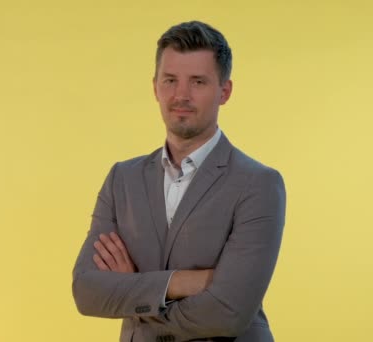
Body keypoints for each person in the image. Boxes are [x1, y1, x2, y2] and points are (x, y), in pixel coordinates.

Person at [72, 21, 286, 342]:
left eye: (198, 82)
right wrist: (182, 282)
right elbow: (87, 291)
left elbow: (229, 313)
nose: (180, 95)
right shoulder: (122, 179)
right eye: (170, 80)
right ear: (155, 86)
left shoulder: (258, 184)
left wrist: (133, 290)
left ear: (224, 91)